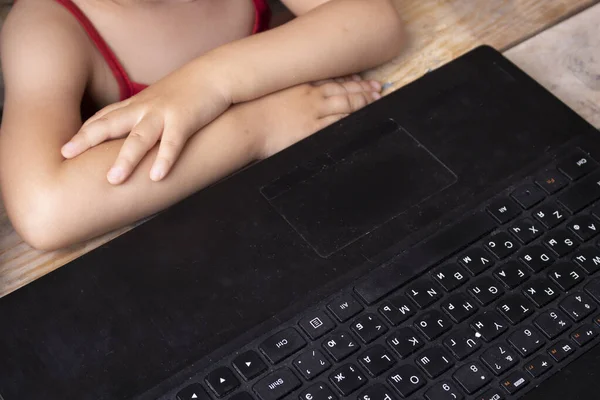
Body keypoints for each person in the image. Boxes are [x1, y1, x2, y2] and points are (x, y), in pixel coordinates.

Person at [0, 0, 404, 251]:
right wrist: (258, 124)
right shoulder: (44, 26)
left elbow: (376, 21)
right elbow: (45, 211)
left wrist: (211, 80)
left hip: (302, 201)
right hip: (188, 247)